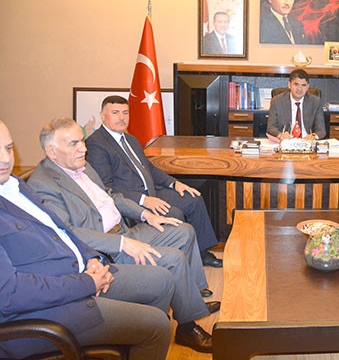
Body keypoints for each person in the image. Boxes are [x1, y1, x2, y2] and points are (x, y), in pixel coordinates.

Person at [28, 117, 220, 353]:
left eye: (82, 141)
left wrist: (145, 215)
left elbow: (111, 196)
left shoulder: (82, 166)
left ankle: (190, 301)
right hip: (106, 249)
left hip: (125, 230)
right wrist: (121, 242)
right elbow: (68, 233)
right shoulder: (43, 185)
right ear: (51, 151)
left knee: (183, 231)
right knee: (174, 259)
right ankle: (187, 327)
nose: (83, 149)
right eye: (74, 144)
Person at [0, 119, 174, 359]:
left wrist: (92, 259)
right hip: (42, 313)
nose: (5, 159)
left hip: (77, 275)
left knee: (162, 280)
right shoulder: (36, 183)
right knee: (156, 326)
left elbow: (62, 230)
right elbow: (10, 295)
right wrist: (87, 283)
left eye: (8, 148)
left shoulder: (14, 186)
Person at [85, 95, 222, 268]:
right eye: (115, 113)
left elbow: (149, 169)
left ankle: (201, 253)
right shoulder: (96, 143)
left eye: (125, 113)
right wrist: (144, 200)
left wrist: (175, 183)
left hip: (152, 191)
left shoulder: (130, 139)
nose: (121, 118)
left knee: (193, 199)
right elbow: (106, 188)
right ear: (103, 115)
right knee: (174, 214)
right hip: (133, 200)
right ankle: (179, 264)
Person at [266, 68, 326, 140]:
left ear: (308, 87)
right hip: (287, 142)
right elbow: (271, 128)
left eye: (303, 85)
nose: (299, 89)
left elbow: (321, 130)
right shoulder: (277, 101)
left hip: (307, 142)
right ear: (289, 85)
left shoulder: (315, 102)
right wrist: (280, 135)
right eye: (296, 84)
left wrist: (313, 135)